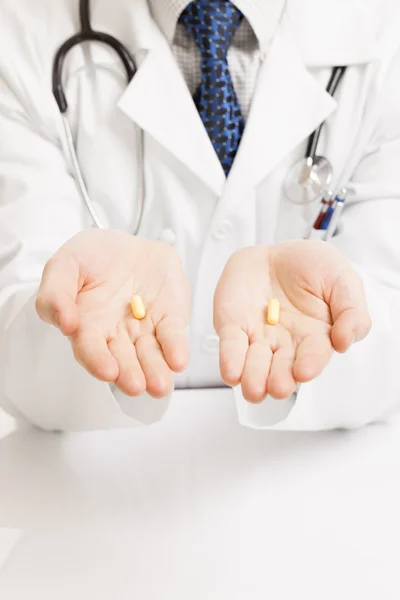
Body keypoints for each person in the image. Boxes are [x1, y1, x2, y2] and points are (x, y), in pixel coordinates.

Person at [0, 0, 399, 432]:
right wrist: (72, 320)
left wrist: (340, 313)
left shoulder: (384, 34)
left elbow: (390, 321)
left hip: (326, 478)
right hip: (94, 479)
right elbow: (14, 338)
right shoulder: (19, 38)